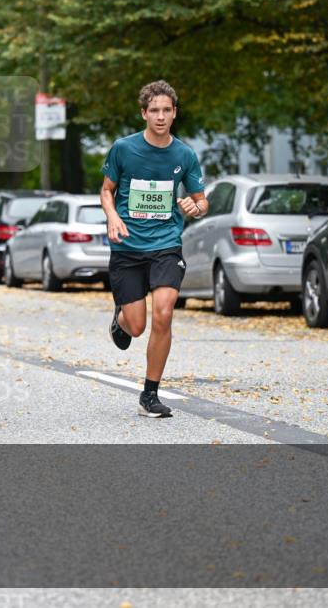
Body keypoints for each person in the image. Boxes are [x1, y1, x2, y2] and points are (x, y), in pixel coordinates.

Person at [100, 80, 207, 418]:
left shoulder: (184, 155)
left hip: (165, 245)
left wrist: (195, 207)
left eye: (166, 110)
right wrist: (113, 216)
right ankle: (120, 319)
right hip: (128, 247)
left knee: (164, 313)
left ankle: (150, 394)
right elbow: (106, 190)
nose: (160, 117)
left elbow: (200, 200)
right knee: (137, 326)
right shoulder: (123, 149)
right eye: (154, 111)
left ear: (174, 113)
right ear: (144, 113)